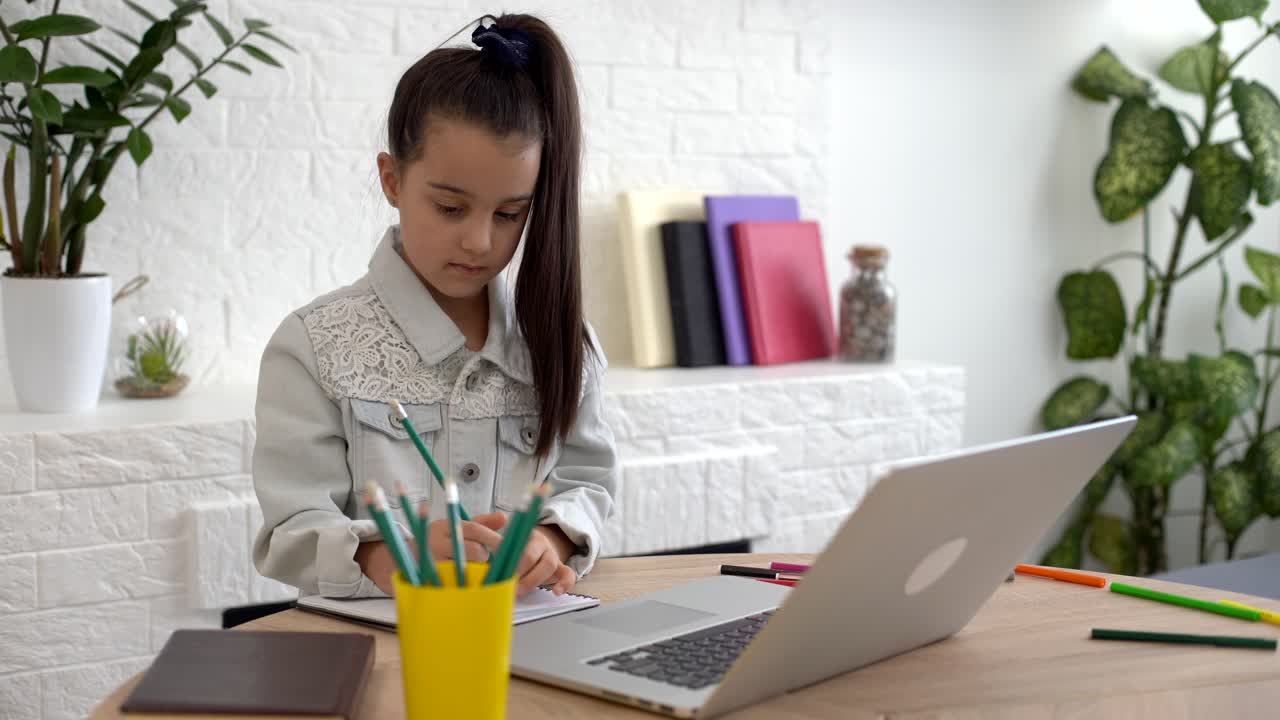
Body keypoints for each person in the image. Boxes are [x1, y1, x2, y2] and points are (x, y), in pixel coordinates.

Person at [251, 13, 616, 599]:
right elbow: (292, 528)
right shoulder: (314, 347)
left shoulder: (564, 342)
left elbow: (588, 483)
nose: (479, 241)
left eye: (508, 214)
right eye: (450, 208)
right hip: (377, 652)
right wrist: (387, 557)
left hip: (527, 639)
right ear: (391, 179)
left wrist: (550, 542)